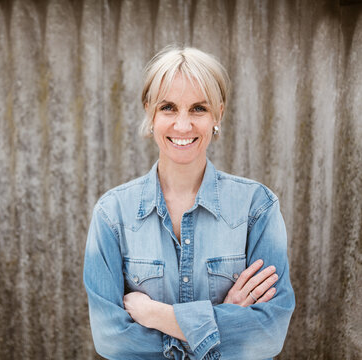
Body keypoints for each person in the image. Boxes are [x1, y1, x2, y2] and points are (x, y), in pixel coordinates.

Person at [83, 46, 295, 360]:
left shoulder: (257, 208)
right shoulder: (112, 214)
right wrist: (222, 318)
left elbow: (268, 332)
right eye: (168, 107)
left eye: (198, 108)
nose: (183, 126)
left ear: (218, 113)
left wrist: (157, 315)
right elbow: (111, 340)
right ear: (149, 112)